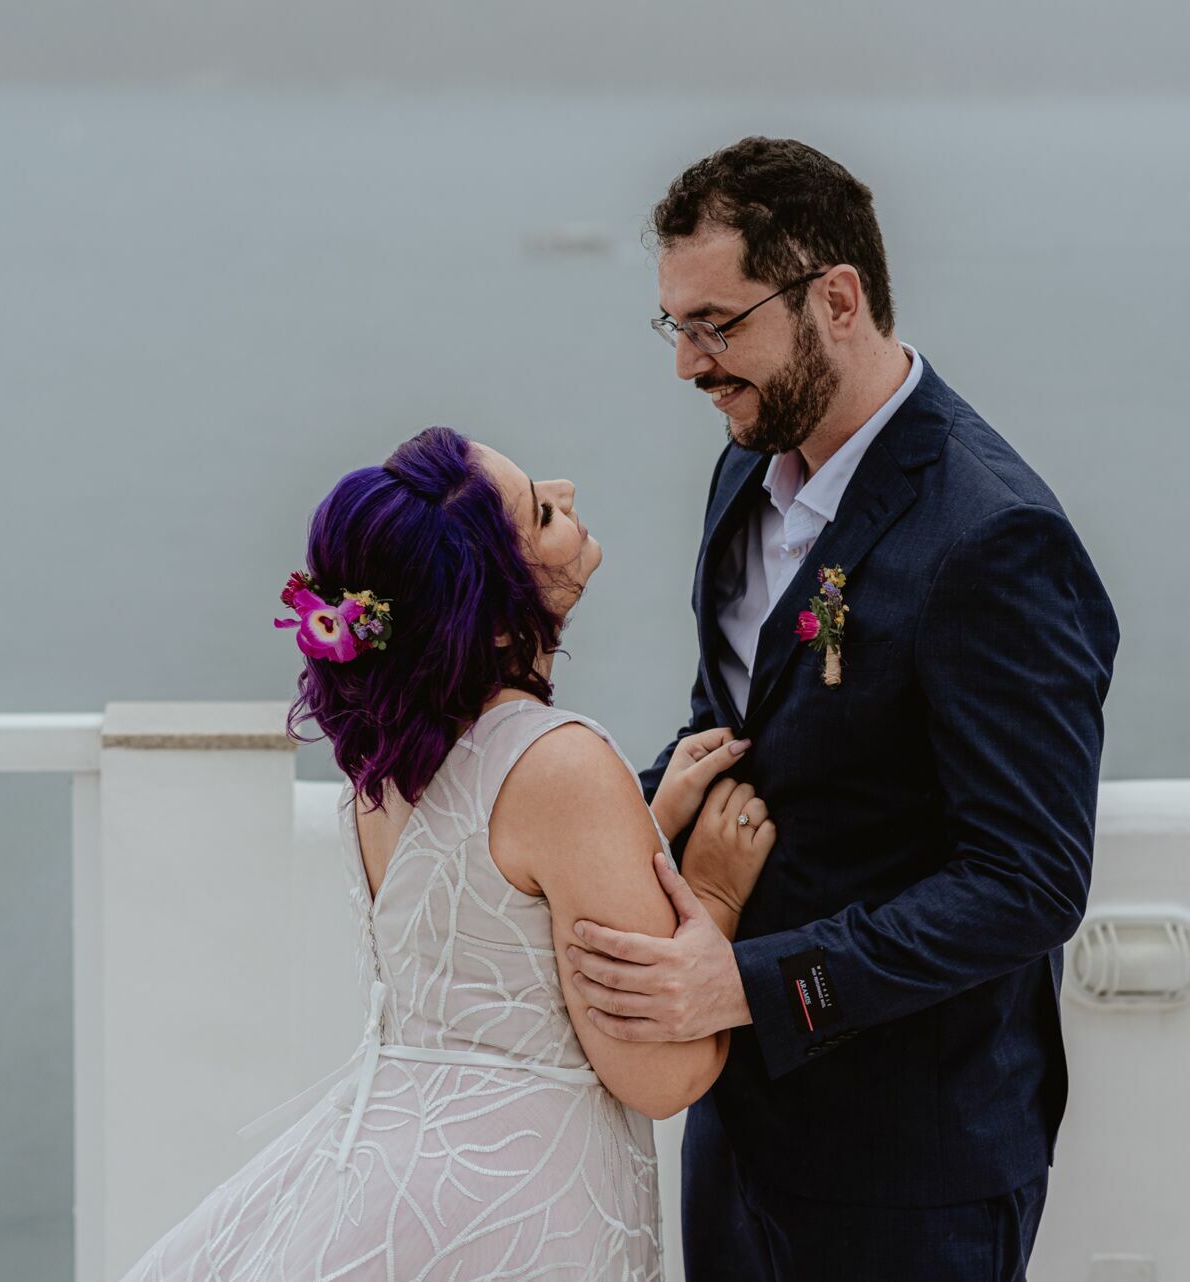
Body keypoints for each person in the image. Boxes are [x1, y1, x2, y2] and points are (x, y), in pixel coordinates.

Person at [565, 137, 1122, 1280]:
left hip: (915, 1162)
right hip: (739, 1117)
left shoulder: (994, 537)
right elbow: (734, 723)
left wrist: (760, 983)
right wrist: (619, 816)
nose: (689, 365)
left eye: (717, 323)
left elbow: (1029, 879)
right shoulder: (745, 467)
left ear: (837, 297)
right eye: (674, 326)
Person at [119, 425, 776, 1281]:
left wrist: (641, 823)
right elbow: (660, 1073)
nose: (569, 489)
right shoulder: (563, 765)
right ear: (501, 622)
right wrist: (712, 892)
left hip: (394, 1182)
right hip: (518, 1216)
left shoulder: (382, 765)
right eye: (543, 511)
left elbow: (497, 914)